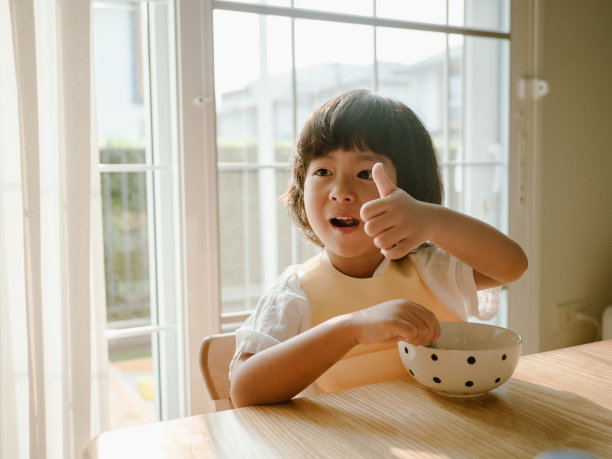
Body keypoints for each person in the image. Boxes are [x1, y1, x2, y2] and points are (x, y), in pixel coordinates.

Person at [229, 89, 528, 408]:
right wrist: (351, 328)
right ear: (302, 188)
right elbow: (245, 391)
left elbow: (512, 266)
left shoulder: (429, 269)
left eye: (363, 174)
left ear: (407, 193)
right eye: (323, 172)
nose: (341, 192)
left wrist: (432, 221)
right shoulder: (294, 294)